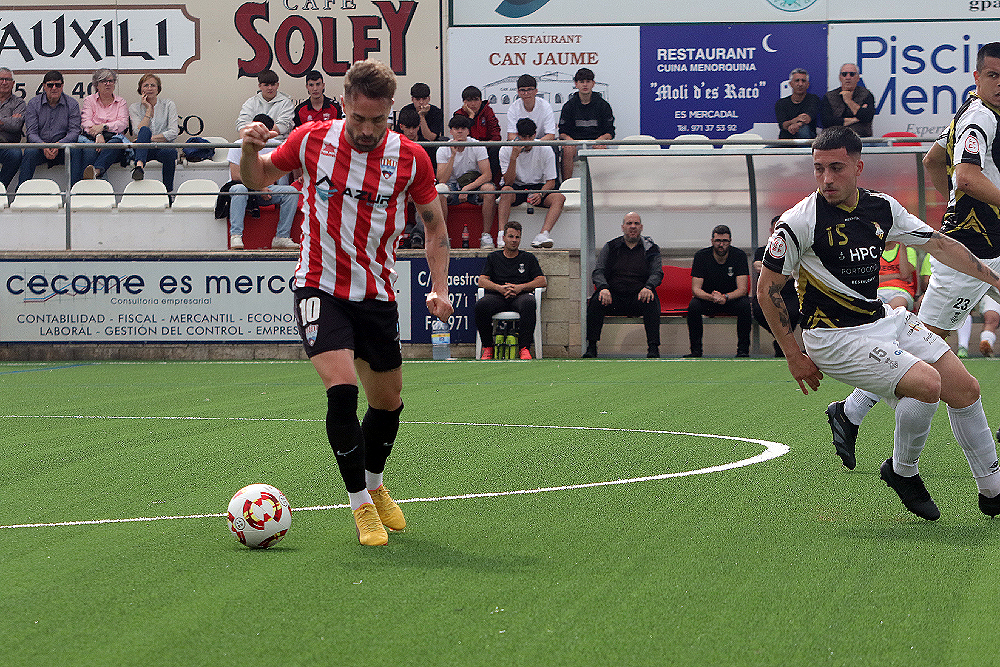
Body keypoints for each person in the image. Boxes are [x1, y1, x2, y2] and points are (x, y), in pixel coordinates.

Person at [239, 58, 452, 546]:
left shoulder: (411, 158)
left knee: (389, 402)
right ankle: (359, 506)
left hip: (376, 292)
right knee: (341, 389)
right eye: (359, 120)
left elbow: (435, 225)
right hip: (318, 285)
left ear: (390, 110)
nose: (367, 130)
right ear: (345, 106)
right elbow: (257, 180)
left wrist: (438, 286)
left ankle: (375, 486)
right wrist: (251, 149)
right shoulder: (313, 139)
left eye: (377, 121)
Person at [757, 125, 1000, 520]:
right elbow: (767, 288)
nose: (826, 178)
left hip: (882, 319)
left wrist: (996, 281)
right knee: (927, 385)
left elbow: (938, 244)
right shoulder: (798, 221)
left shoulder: (881, 207)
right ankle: (902, 471)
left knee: (965, 388)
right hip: (833, 338)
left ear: (858, 167)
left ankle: (993, 489)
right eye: (819, 169)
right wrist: (792, 353)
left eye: (836, 168)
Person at [828, 44, 1000, 472]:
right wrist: (964, 199)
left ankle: (851, 413)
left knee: (929, 340)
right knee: (928, 341)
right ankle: (852, 414)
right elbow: (965, 174)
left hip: (986, 240)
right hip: (975, 249)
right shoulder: (980, 118)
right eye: (993, 75)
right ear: (977, 77)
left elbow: (933, 159)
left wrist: (956, 202)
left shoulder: (967, 113)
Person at [582, 211, 662, 359]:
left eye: (636, 224)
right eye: (629, 223)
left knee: (651, 300)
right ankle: (591, 347)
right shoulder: (611, 247)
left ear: (641, 227)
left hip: (639, 296)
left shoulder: (650, 248)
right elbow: (598, 271)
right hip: (613, 297)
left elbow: (657, 273)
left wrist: (649, 287)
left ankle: (653, 348)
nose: (633, 227)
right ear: (622, 227)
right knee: (595, 301)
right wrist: (603, 288)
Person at [476, 220, 546, 360]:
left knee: (529, 302)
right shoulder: (494, 257)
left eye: (517, 237)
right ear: (504, 238)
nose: (514, 240)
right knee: (481, 305)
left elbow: (542, 280)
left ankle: (524, 348)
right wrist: (499, 288)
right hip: (499, 296)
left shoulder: (528, 258)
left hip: (520, 295)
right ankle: (488, 347)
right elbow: (482, 281)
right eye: (511, 236)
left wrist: (520, 287)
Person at [226, 114, 298, 250]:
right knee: (239, 190)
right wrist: (259, 188)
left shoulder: (278, 146)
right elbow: (235, 176)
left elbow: (281, 174)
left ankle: (282, 237)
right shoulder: (238, 145)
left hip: (266, 190)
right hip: (242, 188)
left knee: (291, 192)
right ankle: (236, 236)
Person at [497, 118, 565, 249]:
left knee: (560, 197)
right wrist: (513, 158)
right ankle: (501, 235)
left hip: (539, 186)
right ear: (517, 135)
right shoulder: (506, 149)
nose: (527, 140)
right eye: (523, 137)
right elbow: (508, 181)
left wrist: (540, 193)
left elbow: (551, 182)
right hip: (516, 186)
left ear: (535, 135)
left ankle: (543, 234)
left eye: (530, 136)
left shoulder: (545, 148)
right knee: (505, 192)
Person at [686, 224, 752, 358]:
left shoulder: (739, 256)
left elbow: (743, 289)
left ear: (730, 241)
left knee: (745, 305)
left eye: (725, 241)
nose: (721, 245)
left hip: (731, 300)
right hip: (709, 300)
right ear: (712, 241)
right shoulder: (701, 256)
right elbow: (696, 289)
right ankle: (696, 351)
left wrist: (725, 297)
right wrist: (712, 297)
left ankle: (743, 351)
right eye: (718, 241)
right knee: (693, 307)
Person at [436, 114, 496, 248]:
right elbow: (442, 179)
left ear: (468, 131)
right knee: (439, 190)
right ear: (451, 131)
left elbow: (487, 175)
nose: (459, 131)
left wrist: (467, 188)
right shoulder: (443, 149)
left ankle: (486, 236)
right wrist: (452, 156)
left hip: (473, 184)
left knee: (490, 189)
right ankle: (443, 236)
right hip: (452, 186)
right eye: (456, 128)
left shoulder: (477, 146)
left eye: (463, 128)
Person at [751, 216, 800, 357]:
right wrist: (785, 271)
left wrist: (771, 269)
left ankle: (781, 343)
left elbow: (796, 272)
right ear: (771, 230)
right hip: (767, 292)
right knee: (760, 310)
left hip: (790, 294)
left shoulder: (794, 250)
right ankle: (781, 341)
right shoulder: (762, 250)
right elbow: (757, 266)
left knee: (793, 312)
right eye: (775, 228)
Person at [20, 70, 80, 184]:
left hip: (62, 148)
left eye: (57, 85)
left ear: (62, 86)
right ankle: (21, 192)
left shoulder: (72, 104)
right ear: (44, 86)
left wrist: (59, 145)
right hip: (40, 148)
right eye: (50, 85)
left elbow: (74, 132)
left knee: (75, 152)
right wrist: (44, 146)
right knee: (30, 152)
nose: (54, 88)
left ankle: (73, 193)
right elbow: (31, 133)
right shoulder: (33, 104)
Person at [558, 67, 615, 180]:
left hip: (596, 143)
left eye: (588, 82)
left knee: (600, 149)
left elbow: (610, 132)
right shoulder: (569, 106)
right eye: (581, 82)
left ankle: (599, 187)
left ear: (593, 84)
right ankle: (567, 188)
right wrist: (570, 141)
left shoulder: (603, 105)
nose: (585, 85)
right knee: (568, 149)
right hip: (575, 144)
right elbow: (562, 132)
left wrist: (600, 140)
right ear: (576, 84)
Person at [74, 69, 129, 184]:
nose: (108, 84)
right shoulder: (89, 100)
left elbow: (123, 123)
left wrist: (104, 127)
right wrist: (98, 135)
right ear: (96, 85)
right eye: (104, 81)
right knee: (89, 150)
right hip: (93, 139)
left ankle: (95, 172)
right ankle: (87, 186)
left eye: (111, 81)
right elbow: (86, 122)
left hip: (113, 140)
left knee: (115, 144)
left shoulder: (121, 102)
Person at [129, 73, 179, 191]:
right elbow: (138, 131)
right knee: (144, 130)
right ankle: (139, 168)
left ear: (158, 89)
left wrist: (148, 138)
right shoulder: (134, 107)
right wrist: (148, 110)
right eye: (146, 85)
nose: (149, 88)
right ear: (140, 89)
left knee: (171, 153)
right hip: (143, 150)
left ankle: (168, 192)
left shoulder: (168, 105)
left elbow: (173, 132)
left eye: (153, 85)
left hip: (162, 147)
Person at [453, 85, 502, 187]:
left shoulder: (488, 111)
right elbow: (461, 137)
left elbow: (496, 137)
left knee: (496, 148)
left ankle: (490, 183)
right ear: (464, 102)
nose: (473, 104)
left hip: (485, 146)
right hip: (466, 148)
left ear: (480, 100)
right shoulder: (458, 114)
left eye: (476, 100)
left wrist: (482, 146)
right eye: (469, 101)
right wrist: (471, 116)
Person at [394, 107, 425, 249]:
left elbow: (430, 175)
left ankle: (418, 234)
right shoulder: (393, 146)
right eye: (408, 128)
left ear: (419, 127)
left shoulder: (427, 146)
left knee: (425, 195)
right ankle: (400, 232)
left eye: (414, 128)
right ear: (401, 127)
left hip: (420, 186)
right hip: (400, 186)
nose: (411, 131)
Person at [820, 63, 876, 137]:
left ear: (858, 78)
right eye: (844, 74)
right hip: (834, 139)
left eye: (852, 74)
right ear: (840, 77)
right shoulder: (829, 96)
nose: (848, 77)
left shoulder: (866, 94)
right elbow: (827, 122)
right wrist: (855, 119)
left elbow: (867, 117)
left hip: (861, 139)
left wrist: (849, 101)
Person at [236, 70, 294, 141]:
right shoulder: (251, 102)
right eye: (266, 85)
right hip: (254, 142)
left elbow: (283, 127)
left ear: (277, 85)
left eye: (273, 84)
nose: (270, 88)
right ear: (260, 86)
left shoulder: (286, 102)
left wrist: (257, 131)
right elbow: (242, 126)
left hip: (278, 143)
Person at [397, 82, 443, 166]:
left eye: (424, 99)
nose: (421, 102)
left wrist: (421, 116)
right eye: (417, 99)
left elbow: (430, 138)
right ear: (412, 99)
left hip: (428, 149)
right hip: (406, 148)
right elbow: (398, 134)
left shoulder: (436, 112)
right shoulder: (406, 110)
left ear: (429, 99)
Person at [506, 74, 556, 142]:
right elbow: (511, 135)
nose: (526, 93)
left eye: (529, 90)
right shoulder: (513, 108)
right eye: (522, 90)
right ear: (518, 92)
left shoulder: (545, 106)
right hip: (520, 143)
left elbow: (551, 135)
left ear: (536, 91)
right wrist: (522, 143)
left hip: (541, 143)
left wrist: (534, 144)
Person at [775, 68, 820, 140]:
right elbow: (783, 125)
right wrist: (796, 120)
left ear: (808, 84)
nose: (800, 84)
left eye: (803, 81)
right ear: (790, 84)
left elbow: (807, 118)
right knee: (767, 148)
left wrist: (797, 124)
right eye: (797, 81)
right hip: (786, 141)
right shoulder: (781, 103)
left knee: (803, 129)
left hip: (807, 140)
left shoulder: (813, 99)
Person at [0, 67, 25, 191]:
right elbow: (12, 122)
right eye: (1, 79)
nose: (4, 82)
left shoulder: (19, 103)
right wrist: (8, 120)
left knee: (16, 155)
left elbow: (16, 126)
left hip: (7, 146)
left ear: (13, 83)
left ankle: (1, 187)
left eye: (7, 79)